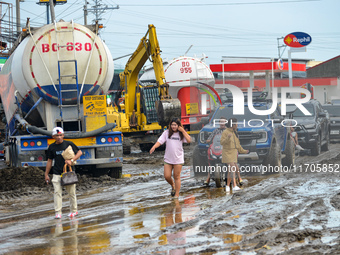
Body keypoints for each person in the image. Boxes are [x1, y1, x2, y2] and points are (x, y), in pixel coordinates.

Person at [45, 127, 83, 219]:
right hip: (57, 173)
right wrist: (46, 174)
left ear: (63, 135)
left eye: (60, 135)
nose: (59, 137)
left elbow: (79, 152)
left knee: (71, 193)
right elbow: (49, 161)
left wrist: (72, 160)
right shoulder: (52, 147)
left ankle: (74, 211)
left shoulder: (68, 144)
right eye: (57, 135)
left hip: (69, 173)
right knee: (57, 193)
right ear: (53, 136)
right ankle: (58, 212)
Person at [150, 118, 191, 199]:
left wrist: (183, 131)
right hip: (168, 158)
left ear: (178, 125)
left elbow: (189, 140)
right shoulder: (167, 133)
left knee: (177, 176)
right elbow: (160, 141)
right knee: (167, 176)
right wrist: (154, 146)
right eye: (172, 125)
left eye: (175, 125)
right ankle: (173, 185)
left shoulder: (181, 134)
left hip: (178, 159)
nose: (173, 126)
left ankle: (177, 194)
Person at [220, 118, 249, 192]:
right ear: (232, 124)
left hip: (233, 153)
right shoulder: (225, 132)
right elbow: (222, 142)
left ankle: (227, 186)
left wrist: (244, 151)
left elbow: (238, 145)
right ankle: (234, 185)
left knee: (230, 170)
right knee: (233, 168)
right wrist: (228, 138)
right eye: (236, 124)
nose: (237, 125)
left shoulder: (235, 132)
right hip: (227, 153)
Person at [204, 116, 227, 187]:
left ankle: (230, 179)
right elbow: (210, 138)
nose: (222, 123)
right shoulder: (215, 131)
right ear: (219, 123)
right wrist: (208, 140)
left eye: (223, 122)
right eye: (221, 122)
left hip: (226, 149)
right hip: (217, 149)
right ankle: (208, 179)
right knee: (210, 162)